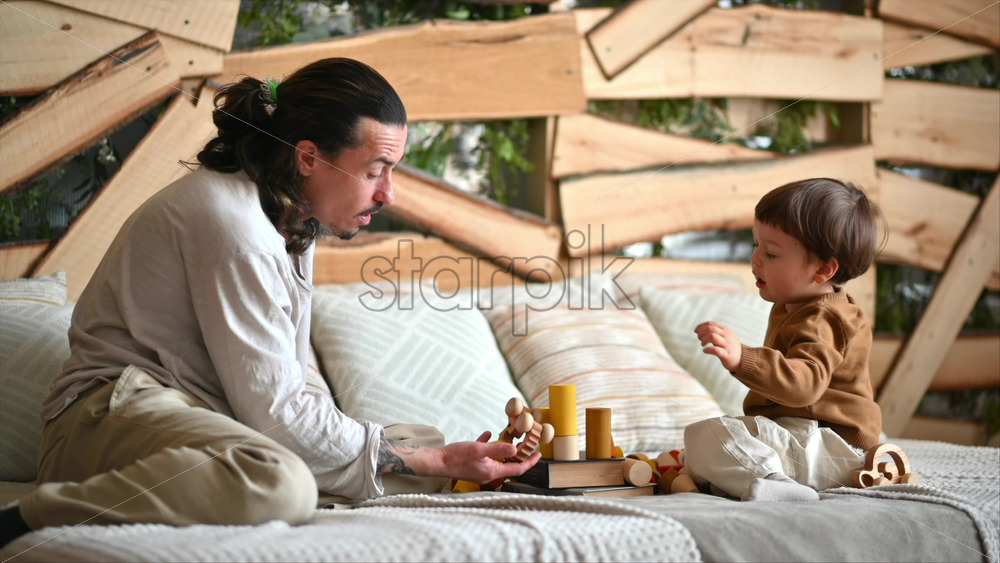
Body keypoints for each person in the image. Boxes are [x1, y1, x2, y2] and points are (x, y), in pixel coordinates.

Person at [0, 57, 539, 549]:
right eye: (375, 170)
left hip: (210, 417)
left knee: (418, 443)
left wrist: (435, 457)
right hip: (107, 420)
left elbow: (295, 384)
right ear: (308, 157)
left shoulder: (289, 219)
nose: (388, 193)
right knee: (282, 481)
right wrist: (421, 461)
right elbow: (278, 414)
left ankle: (448, 464)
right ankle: (33, 516)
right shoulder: (234, 226)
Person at [681, 178, 886, 502]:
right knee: (708, 443)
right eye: (755, 246)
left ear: (823, 270)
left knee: (707, 435)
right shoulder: (796, 305)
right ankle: (762, 479)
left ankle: (774, 484)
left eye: (772, 253)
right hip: (807, 439)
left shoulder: (823, 318)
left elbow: (805, 385)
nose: (756, 260)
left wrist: (742, 357)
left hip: (827, 445)